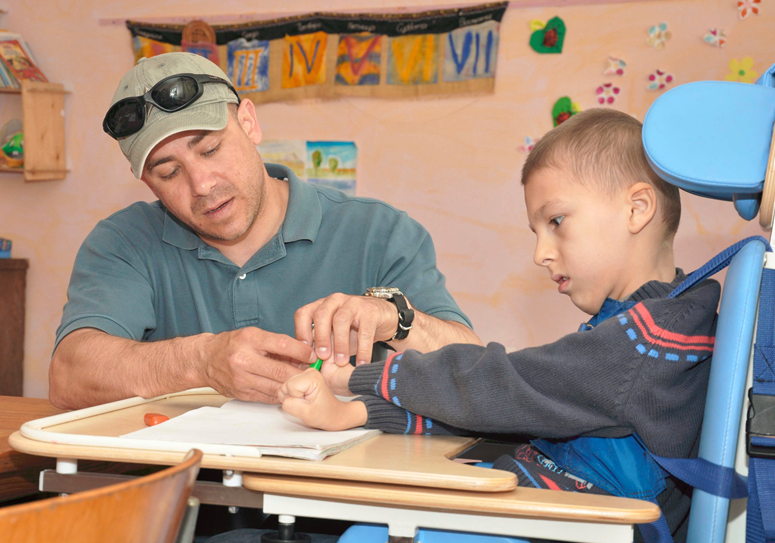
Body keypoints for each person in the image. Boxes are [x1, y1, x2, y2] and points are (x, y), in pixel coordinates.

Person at [279, 108, 720, 543]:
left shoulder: (647, 340)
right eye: (536, 232)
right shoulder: (642, 329)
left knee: (366, 537)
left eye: (556, 222)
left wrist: (360, 379)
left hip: (582, 527)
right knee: (367, 531)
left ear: (637, 208)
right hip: (558, 512)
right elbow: (514, 411)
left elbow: (505, 385)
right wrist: (354, 411)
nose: (541, 253)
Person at [48, 50, 481, 413]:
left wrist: (397, 321)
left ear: (250, 123)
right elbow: (68, 376)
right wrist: (200, 362)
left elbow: (474, 371)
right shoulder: (124, 243)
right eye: (168, 172)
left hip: (343, 499)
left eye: (211, 149)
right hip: (185, 498)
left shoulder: (378, 232)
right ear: (146, 182)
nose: (201, 185)